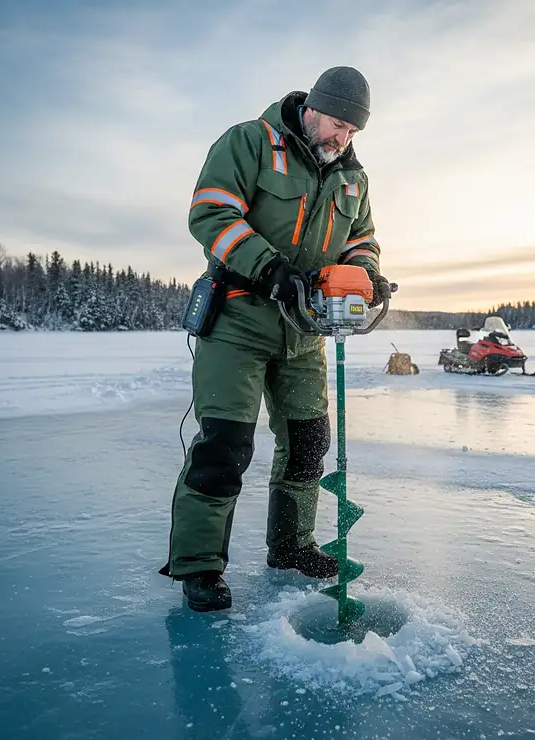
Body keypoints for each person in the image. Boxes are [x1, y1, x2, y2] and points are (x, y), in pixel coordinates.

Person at [159, 66, 393, 611]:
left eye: (353, 131)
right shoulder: (250, 142)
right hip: (237, 322)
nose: (343, 137)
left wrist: (364, 275)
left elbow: (362, 239)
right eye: (337, 123)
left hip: (305, 332)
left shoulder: (353, 179)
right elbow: (211, 213)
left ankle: (290, 547)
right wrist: (268, 268)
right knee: (224, 447)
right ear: (312, 108)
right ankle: (198, 566)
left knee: (310, 443)